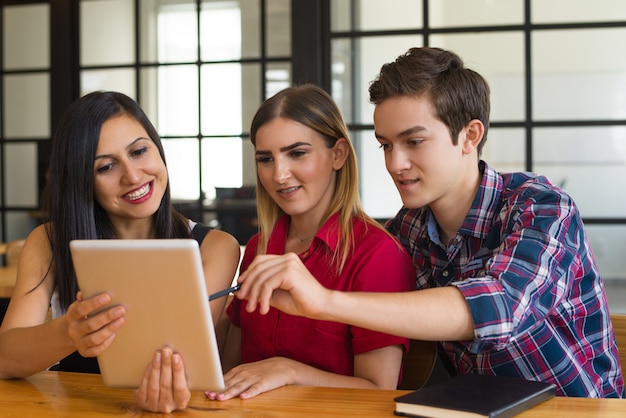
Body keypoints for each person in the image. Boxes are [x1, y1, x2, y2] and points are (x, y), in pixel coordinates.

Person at [232, 47, 625, 398]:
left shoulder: (541, 207)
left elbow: (501, 307)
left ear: (470, 136)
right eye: (386, 144)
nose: (394, 163)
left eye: (413, 142)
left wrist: (323, 302)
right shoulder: (408, 230)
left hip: (579, 410)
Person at [0, 91, 241, 412]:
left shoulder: (214, 247)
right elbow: (5, 358)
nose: (132, 176)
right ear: (82, 180)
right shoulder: (49, 241)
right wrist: (69, 332)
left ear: (158, 148)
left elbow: (188, 365)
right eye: (106, 167)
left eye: (139, 151)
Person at [206, 84, 415, 401]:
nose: (279, 175)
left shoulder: (378, 254)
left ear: (338, 154)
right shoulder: (259, 249)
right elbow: (231, 372)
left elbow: (379, 389)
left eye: (297, 153)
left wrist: (289, 371)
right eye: (266, 158)